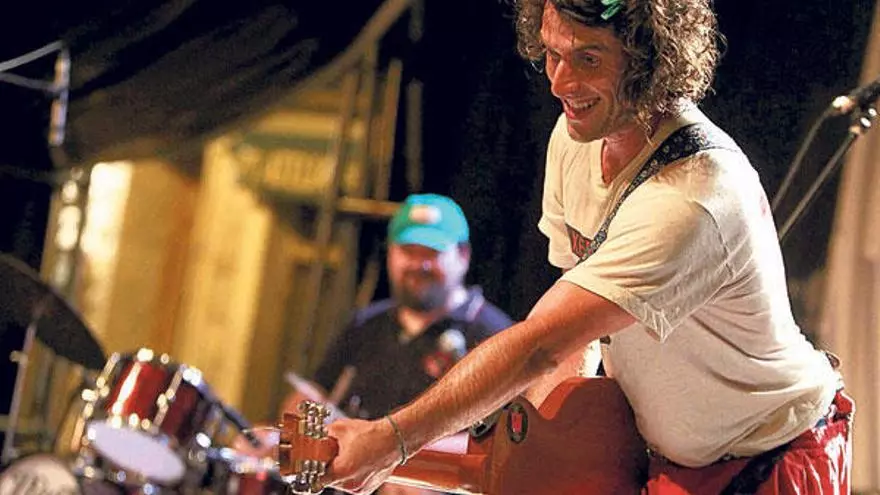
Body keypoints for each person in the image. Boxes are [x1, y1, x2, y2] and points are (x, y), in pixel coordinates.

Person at [317, 1, 853, 494]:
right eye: (552, 54)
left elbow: (540, 346)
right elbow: (573, 343)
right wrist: (540, 448)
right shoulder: (576, 139)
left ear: (649, 62)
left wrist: (393, 440)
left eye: (588, 59)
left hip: (771, 461)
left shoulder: (692, 196)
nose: (559, 82)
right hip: (669, 462)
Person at [281, 193, 513, 495]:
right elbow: (311, 395)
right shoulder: (365, 324)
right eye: (408, 251)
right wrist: (287, 438)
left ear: (463, 255)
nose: (418, 264)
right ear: (390, 252)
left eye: (431, 252)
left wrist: (407, 463)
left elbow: (506, 441)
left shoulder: (496, 335)